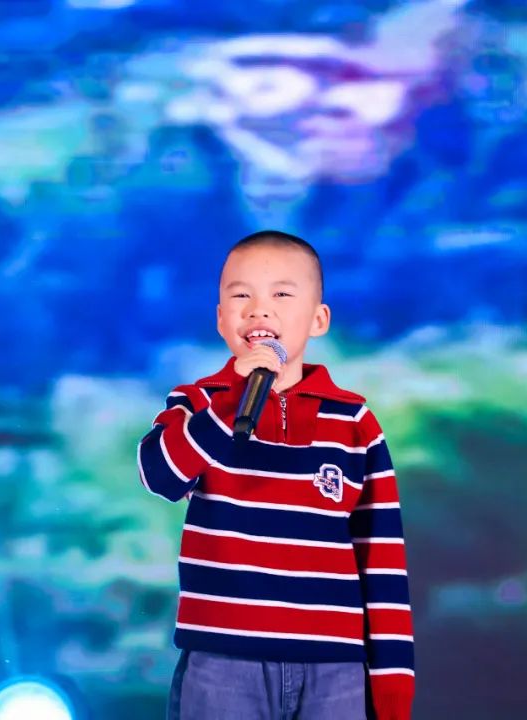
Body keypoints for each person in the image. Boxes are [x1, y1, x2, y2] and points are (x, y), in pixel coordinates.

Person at [137, 231, 415, 720]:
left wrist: (391, 690)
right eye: (241, 296)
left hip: (335, 666)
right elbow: (160, 474)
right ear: (220, 318)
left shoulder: (355, 423)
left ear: (318, 319)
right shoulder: (199, 404)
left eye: (282, 294)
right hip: (224, 659)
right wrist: (230, 403)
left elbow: (382, 561)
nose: (259, 311)